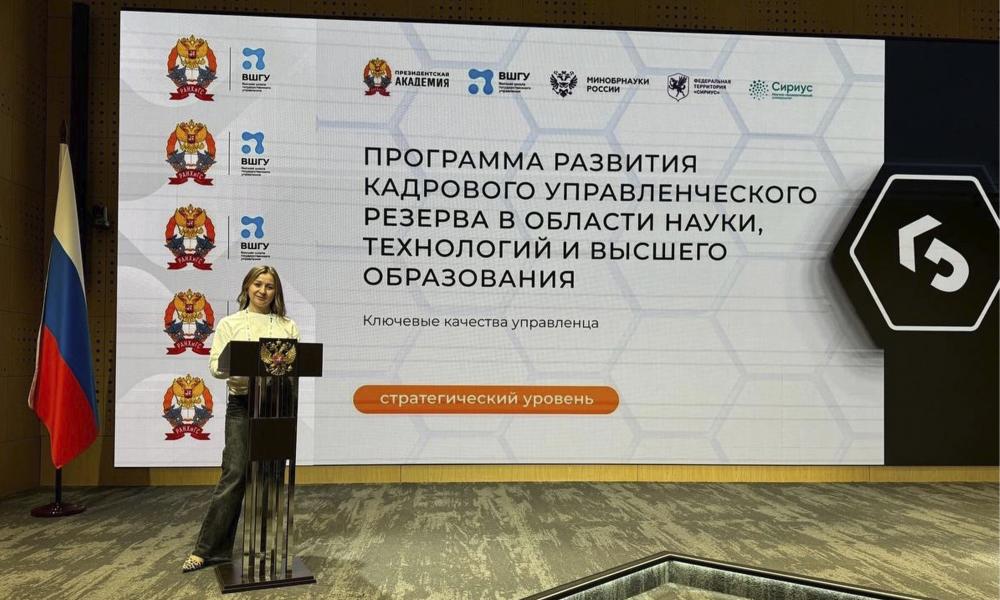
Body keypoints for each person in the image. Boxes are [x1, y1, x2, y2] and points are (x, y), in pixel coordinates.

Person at [182, 265, 299, 572]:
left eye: (270, 286)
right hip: (243, 404)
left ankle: (265, 549)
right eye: (258, 284)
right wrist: (239, 364)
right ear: (248, 286)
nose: (263, 291)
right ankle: (208, 550)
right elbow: (215, 368)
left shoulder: (287, 326)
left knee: (271, 477)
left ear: (276, 292)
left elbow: (295, 365)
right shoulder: (229, 323)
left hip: (276, 406)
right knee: (234, 473)